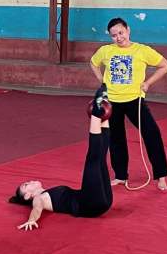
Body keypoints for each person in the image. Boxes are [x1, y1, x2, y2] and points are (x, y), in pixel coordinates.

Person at [9, 85, 113, 231]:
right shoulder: (39, 198)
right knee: (94, 158)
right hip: (89, 203)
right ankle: (97, 111)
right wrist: (31, 220)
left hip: (101, 203)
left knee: (101, 157)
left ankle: (102, 111)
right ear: (27, 196)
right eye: (26, 185)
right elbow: (37, 208)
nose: (30, 181)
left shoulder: (48, 194)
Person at [90, 17, 167, 191]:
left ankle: (161, 176)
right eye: (114, 35)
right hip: (112, 101)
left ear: (128, 30)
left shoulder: (142, 50)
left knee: (152, 133)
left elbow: (165, 66)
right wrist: (101, 79)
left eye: (121, 33)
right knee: (116, 138)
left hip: (135, 100)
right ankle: (120, 175)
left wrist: (148, 83)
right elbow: (93, 63)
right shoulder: (105, 51)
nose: (118, 37)